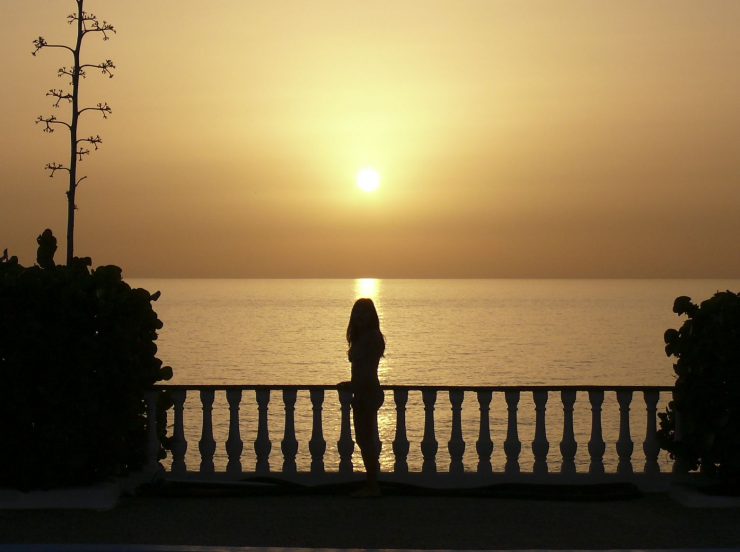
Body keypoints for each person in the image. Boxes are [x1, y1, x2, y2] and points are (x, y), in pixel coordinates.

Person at [342, 297, 385, 496]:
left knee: (365, 439)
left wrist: (357, 388)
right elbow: (360, 369)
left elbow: (367, 370)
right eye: (357, 313)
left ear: (372, 315)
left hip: (367, 390)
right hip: (362, 389)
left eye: (364, 312)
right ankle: (371, 483)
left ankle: (372, 485)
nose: (360, 317)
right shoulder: (363, 337)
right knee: (363, 439)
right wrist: (352, 385)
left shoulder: (372, 337)